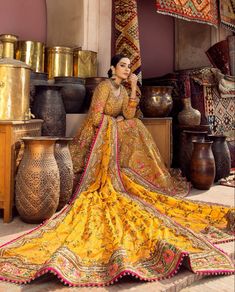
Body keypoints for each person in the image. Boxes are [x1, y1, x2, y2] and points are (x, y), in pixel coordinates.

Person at [0, 54, 234, 287]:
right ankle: (117, 174)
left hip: (112, 130)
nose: (126, 69)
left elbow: (130, 114)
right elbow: (94, 118)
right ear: (112, 68)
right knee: (128, 128)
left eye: (128, 67)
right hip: (94, 135)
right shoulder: (103, 87)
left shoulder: (123, 91)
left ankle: (136, 175)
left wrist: (133, 88)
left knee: (135, 125)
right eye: (122, 66)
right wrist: (116, 123)